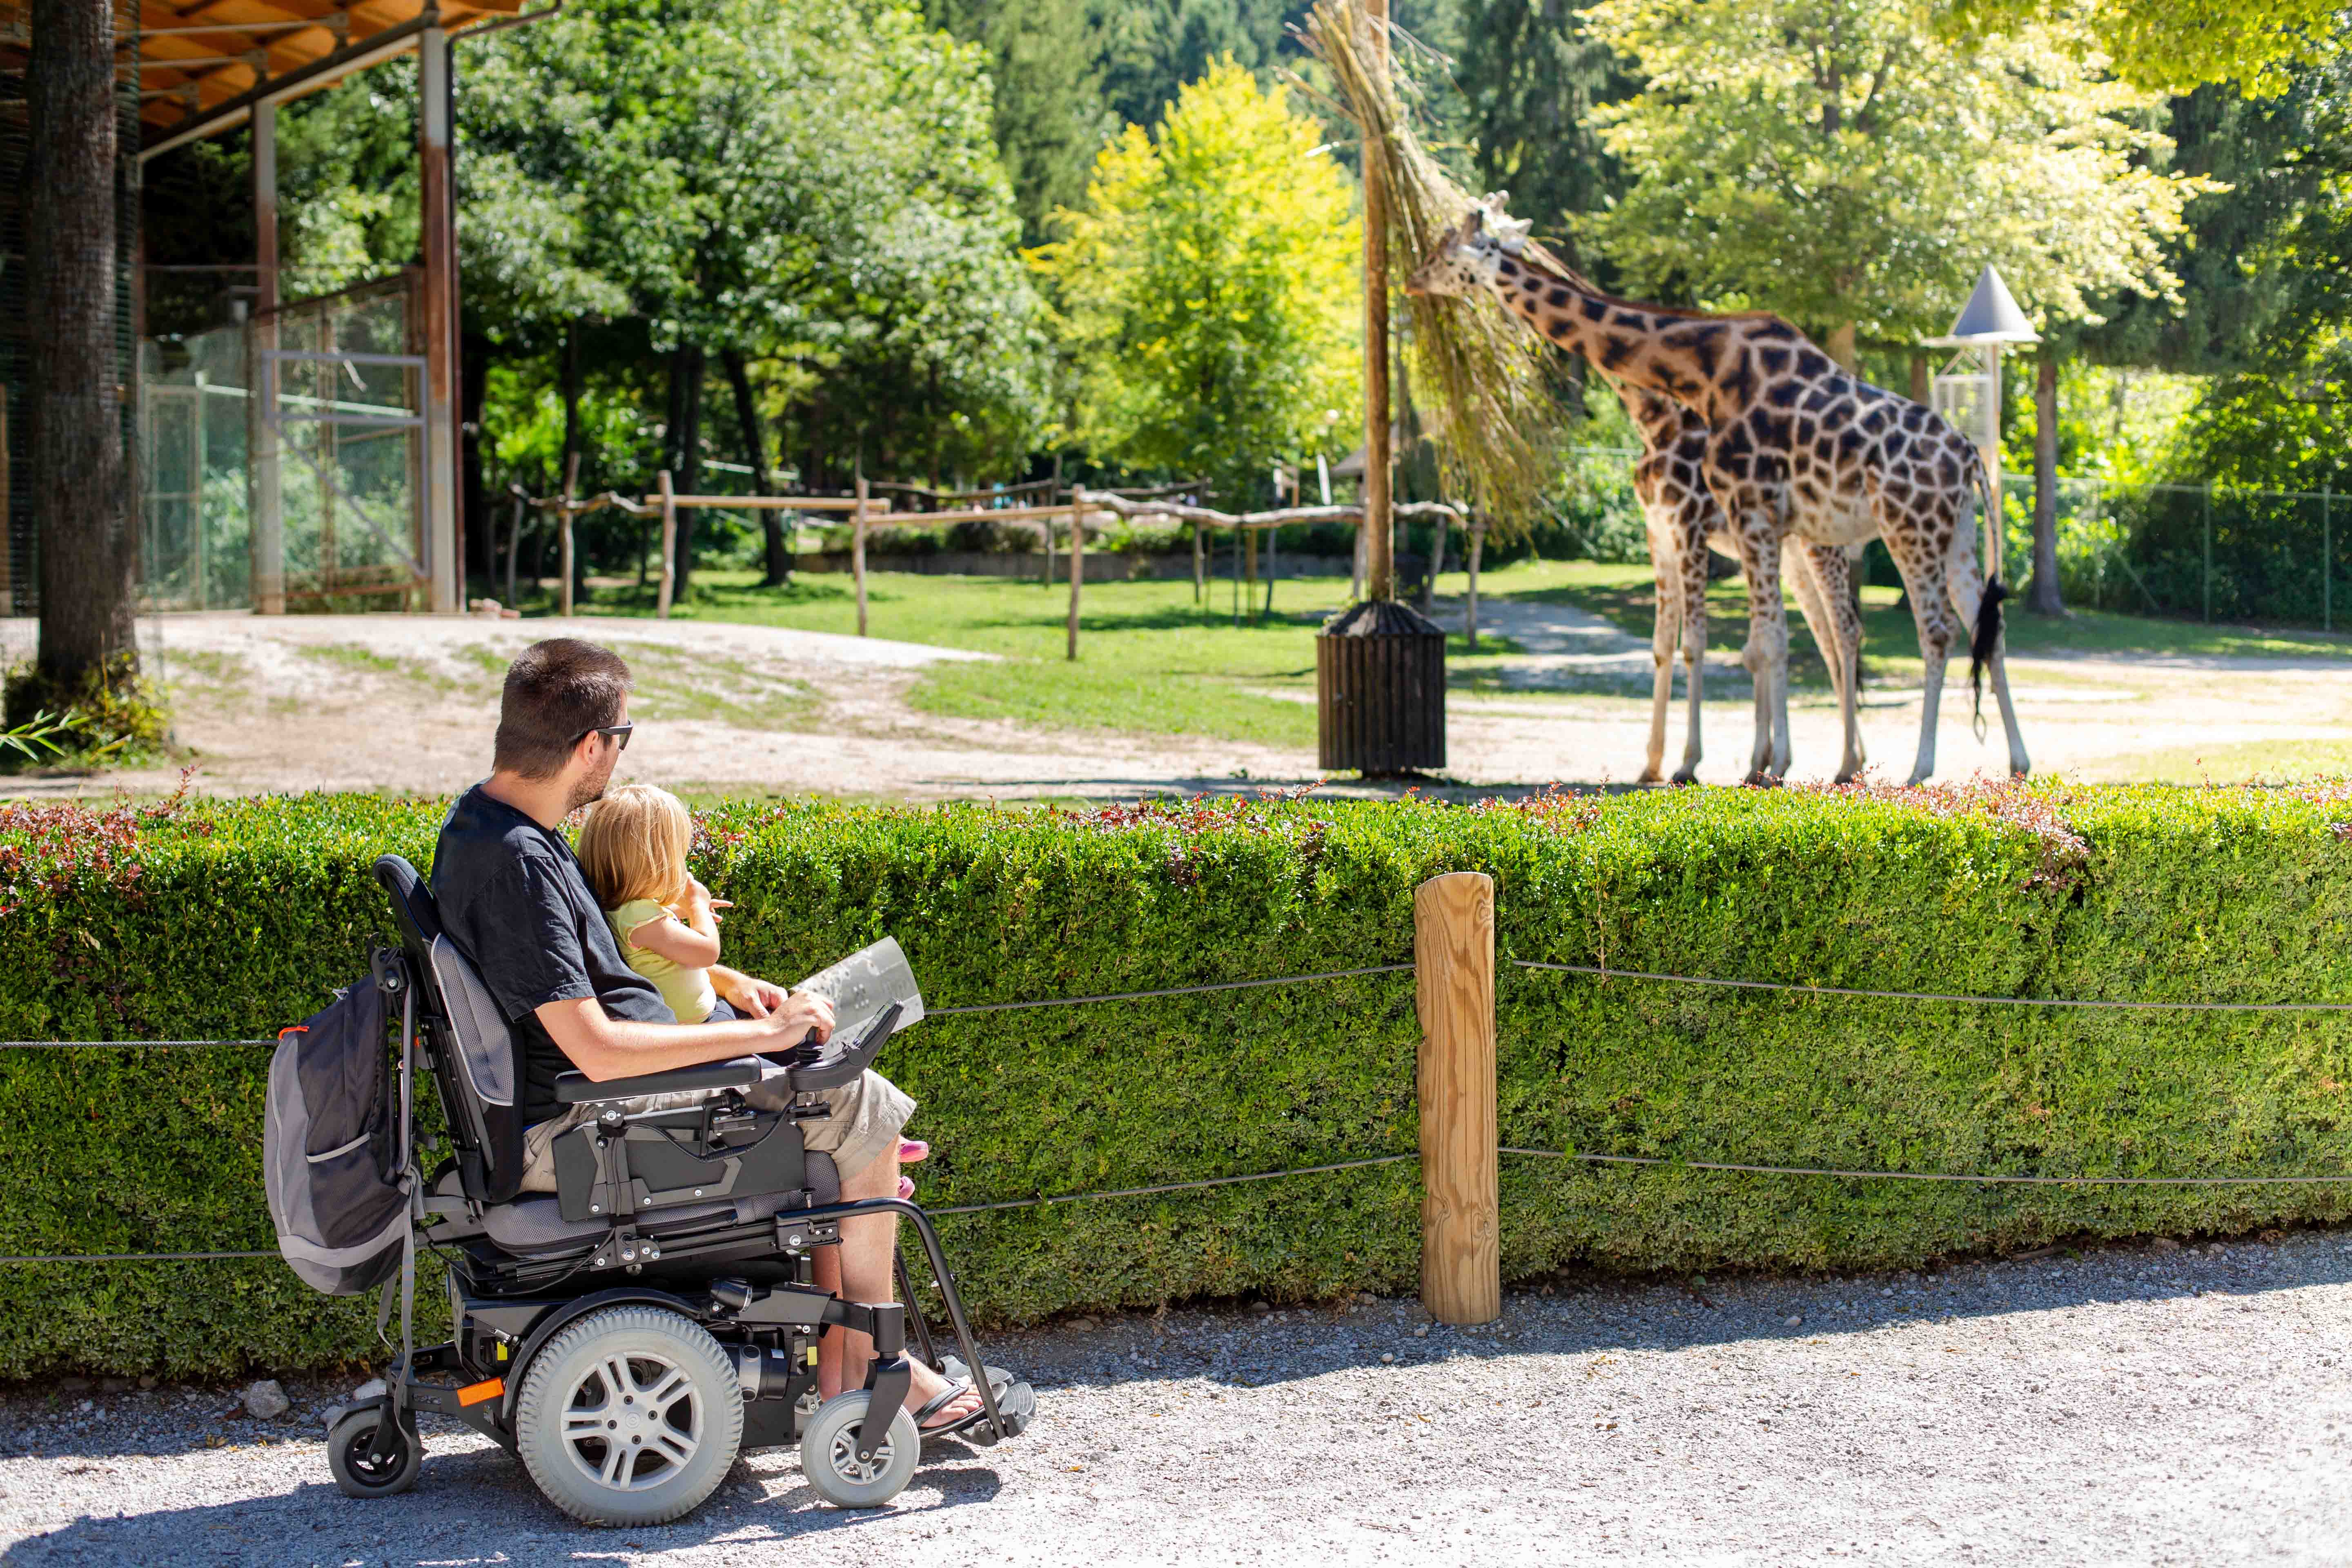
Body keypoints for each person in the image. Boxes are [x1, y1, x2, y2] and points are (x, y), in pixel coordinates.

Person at [430, 637, 982, 1430]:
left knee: (824, 1072)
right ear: (591, 746)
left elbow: (609, 984)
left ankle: (851, 1373)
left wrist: (730, 995)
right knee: (862, 1103)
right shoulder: (517, 862)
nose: (619, 758)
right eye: (622, 739)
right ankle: (884, 1374)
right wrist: (755, 1039)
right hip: (593, 1120)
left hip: (602, 1100)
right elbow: (595, 1048)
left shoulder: (490, 824)